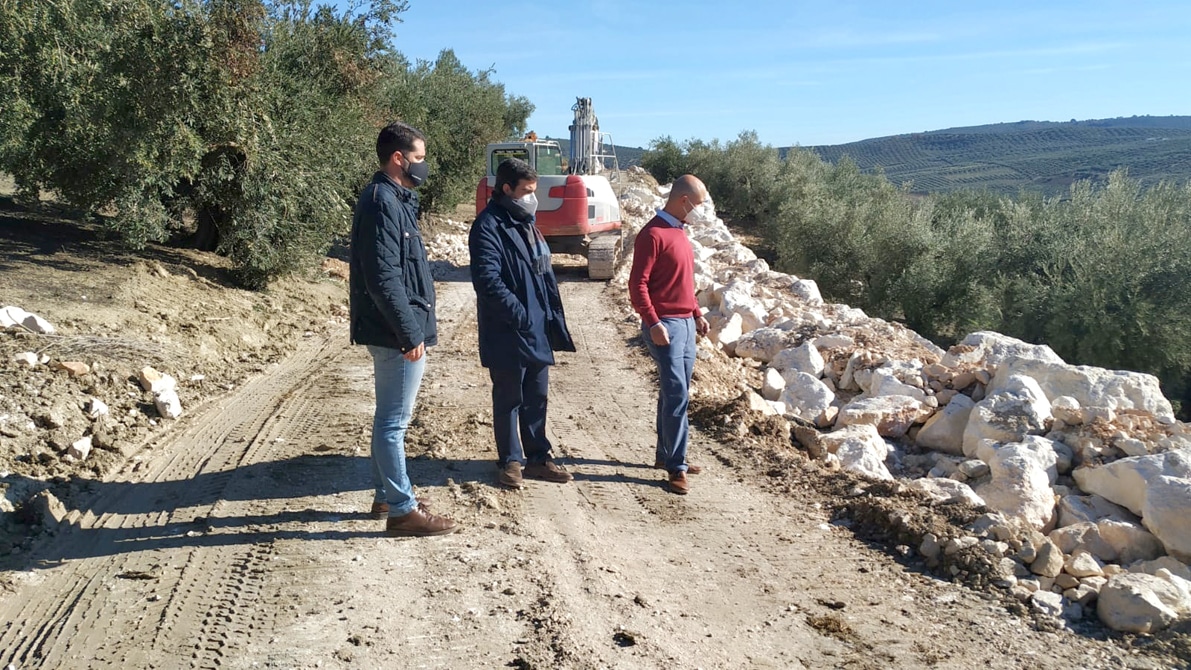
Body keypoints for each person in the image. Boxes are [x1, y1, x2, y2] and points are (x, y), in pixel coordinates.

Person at [349, 121, 459, 536]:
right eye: (418, 159)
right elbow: (383, 276)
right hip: (395, 333)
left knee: (388, 417)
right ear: (398, 159)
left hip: (395, 329)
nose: (423, 166)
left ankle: (385, 494)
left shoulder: (393, 198)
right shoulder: (382, 201)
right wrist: (409, 332)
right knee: (394, 422)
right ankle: (401, 509)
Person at [469, 158, 576, 490]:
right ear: (506, 190)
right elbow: (488, 281)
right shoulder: (488, 226)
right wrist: (520, 314)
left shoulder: (527, 221)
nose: (533, 197)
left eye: (534, 191)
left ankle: (538, 458)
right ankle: (510, 461)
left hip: (536, 328)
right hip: (509, 329)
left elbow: (541, 274)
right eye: (527, 191)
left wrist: (546, 316)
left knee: (537, 397)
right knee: (509, 398)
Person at [628, 175, 711, 495]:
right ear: (683, 201)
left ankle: (666, 456)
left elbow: (682, 282)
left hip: (686, 323)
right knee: (677, 394)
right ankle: (677, 467)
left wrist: (696, 313)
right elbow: (638, 285)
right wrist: (652, 322)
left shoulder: (678, 232)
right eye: (699, 204)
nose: (701, 211)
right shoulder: (652, 234)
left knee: (674, 391)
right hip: (665, 326)